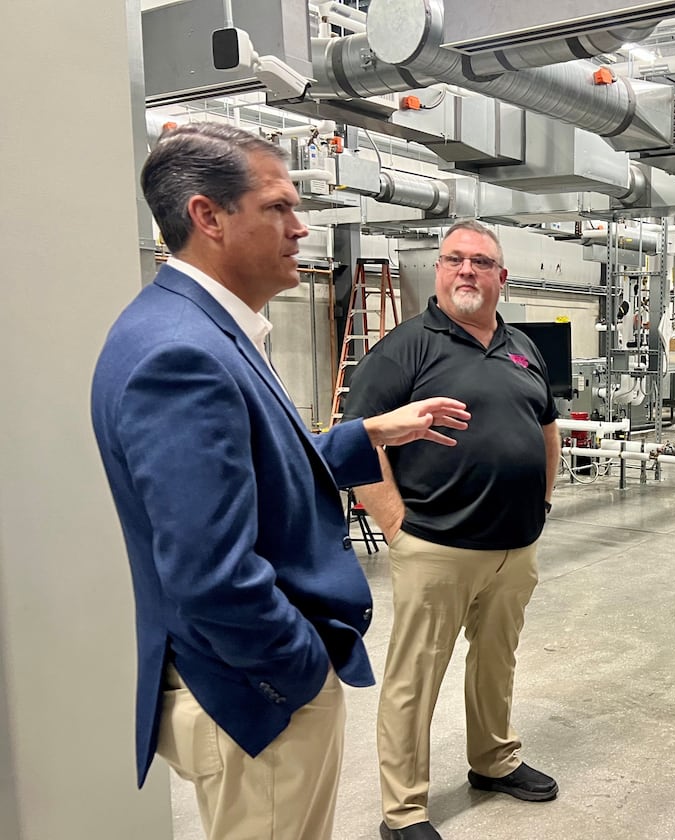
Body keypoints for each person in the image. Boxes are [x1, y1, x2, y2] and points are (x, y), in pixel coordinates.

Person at [91, 122, 471, 840]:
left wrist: (368, 435)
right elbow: (210, 573)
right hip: (255, 696)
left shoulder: (201, 328)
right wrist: (298, 674)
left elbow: (249, 476)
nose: (302, 229)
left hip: (242, 682)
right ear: (208, 216)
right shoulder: (184, 356)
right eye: (279, 208)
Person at [343, 220, 562, 840]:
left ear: (501, 277)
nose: (467, 271)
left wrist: (540, 504)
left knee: (496, 663)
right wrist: (394, 524)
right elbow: (358, 439)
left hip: (514, 548)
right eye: (455, 260)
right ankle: (404, 810)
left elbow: (545, 426)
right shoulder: (407, 346)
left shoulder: (522, 347)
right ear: (439, 272)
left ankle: (493, 761)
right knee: (415, 678)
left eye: (481, 262)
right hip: (437, 546)